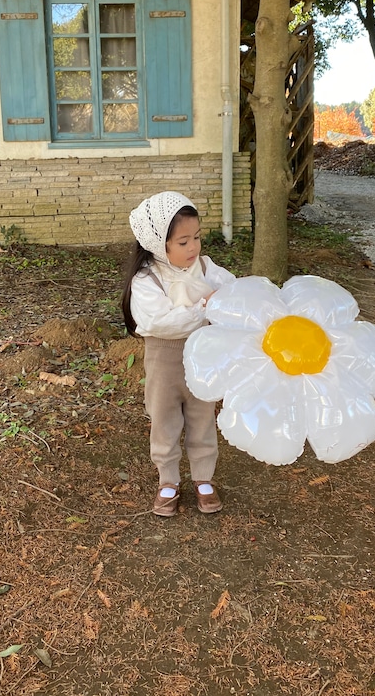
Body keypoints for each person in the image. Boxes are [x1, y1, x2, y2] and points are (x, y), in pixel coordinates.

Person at [121, 191, 235, 517]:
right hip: (164, 359)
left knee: (202, 416)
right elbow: (159, 322)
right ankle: (168, 479)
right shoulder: (148, 279)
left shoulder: (204, 267)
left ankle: (203, 478)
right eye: (183, 242)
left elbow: (233, 289)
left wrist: (226, 301)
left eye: (197, 238)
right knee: (164, 418)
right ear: (160, 244)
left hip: (202, 355)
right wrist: (205, 307)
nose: (194, 247)